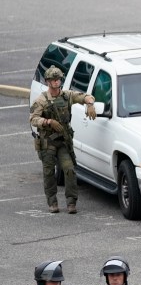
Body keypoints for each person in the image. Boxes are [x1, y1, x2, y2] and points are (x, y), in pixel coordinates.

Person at [29, 65, 96, 214]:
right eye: (53, 80)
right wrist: (48, 122)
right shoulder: (41, 100)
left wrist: (90, 104)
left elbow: (85, 96)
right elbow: (33, 119)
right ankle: (52, 201)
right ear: (48, 82)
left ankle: (71, 202)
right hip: (48, 143)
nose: (56, 82)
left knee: (70, 170)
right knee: (48, 172)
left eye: (58, 79)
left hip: (63, 142)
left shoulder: (67, 96)